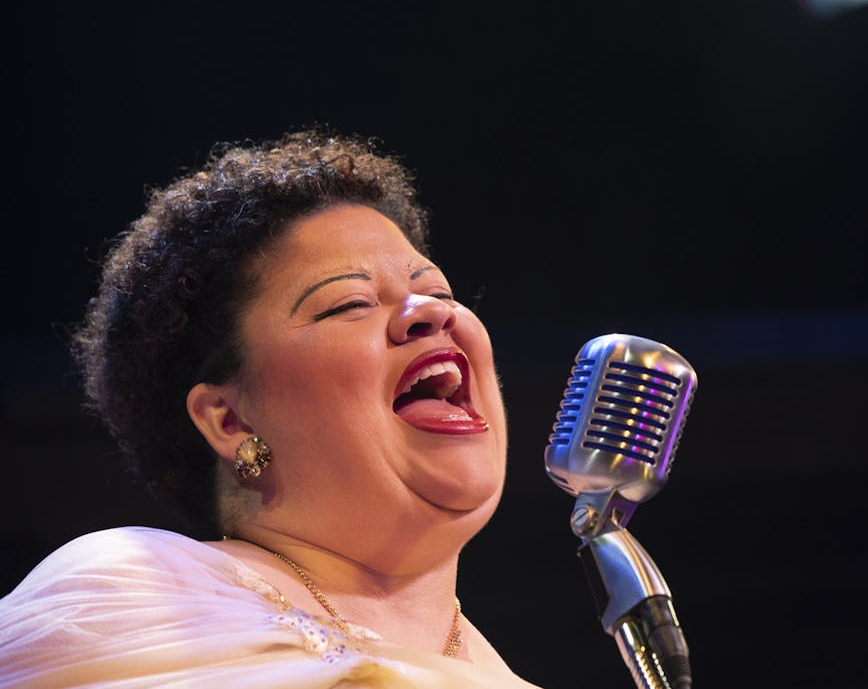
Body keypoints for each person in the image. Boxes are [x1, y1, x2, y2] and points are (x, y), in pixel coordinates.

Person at [0, 128, 541, 687]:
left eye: (440, 294)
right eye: (348, 303)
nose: (429, 314)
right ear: (229, 421)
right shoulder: (124, 600)